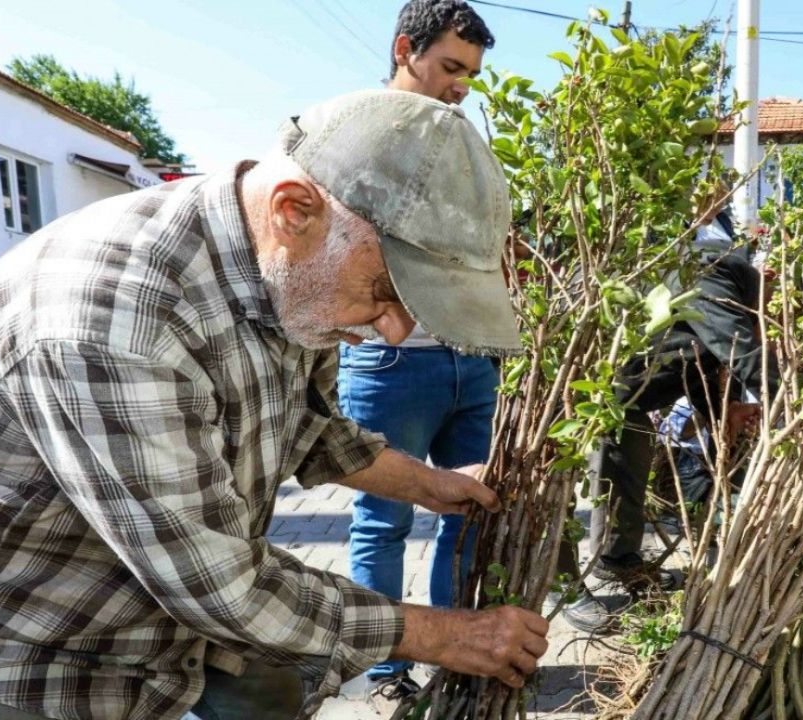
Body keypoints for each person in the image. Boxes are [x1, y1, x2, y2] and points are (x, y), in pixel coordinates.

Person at [0, 90, 548, 720]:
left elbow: (307, 426)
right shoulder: (111, 321)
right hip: (22, 649)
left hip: (179, 610)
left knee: (270, 688)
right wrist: (450, 635)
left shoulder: (293, 278)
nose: (391, 332)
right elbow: (223, 588)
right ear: (293, 211)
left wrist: (430, 485)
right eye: (385, 292)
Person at [336, 0, 502, 707]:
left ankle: (458, 653)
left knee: (471, 510)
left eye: (471, 73)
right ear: (406, 48)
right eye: (450, 67)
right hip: (390, 364)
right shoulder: (360, 140)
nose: (461, 85)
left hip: (474, 359)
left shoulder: (460, 143)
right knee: (384, 521)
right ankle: (385, 673)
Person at [556, 188, 774, 633]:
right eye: (769, 312)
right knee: (552, 489)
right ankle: (560, 586)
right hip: (577, 389)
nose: (769, 321)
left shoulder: (724, 292)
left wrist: (723, 414)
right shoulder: (716, 276)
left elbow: (697, 363)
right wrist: (790, 407)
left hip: (628, 400)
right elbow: (745, 354)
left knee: (627, 475)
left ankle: (618, 560)